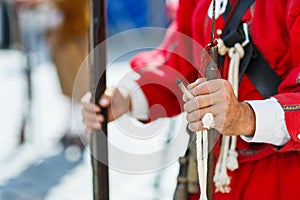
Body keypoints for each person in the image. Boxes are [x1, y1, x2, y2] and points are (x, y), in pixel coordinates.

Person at [82, 0, 300, 199]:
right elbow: (180, 55)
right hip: (209, 176)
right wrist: (128, 97)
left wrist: (247, 118)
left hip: (281, 179)